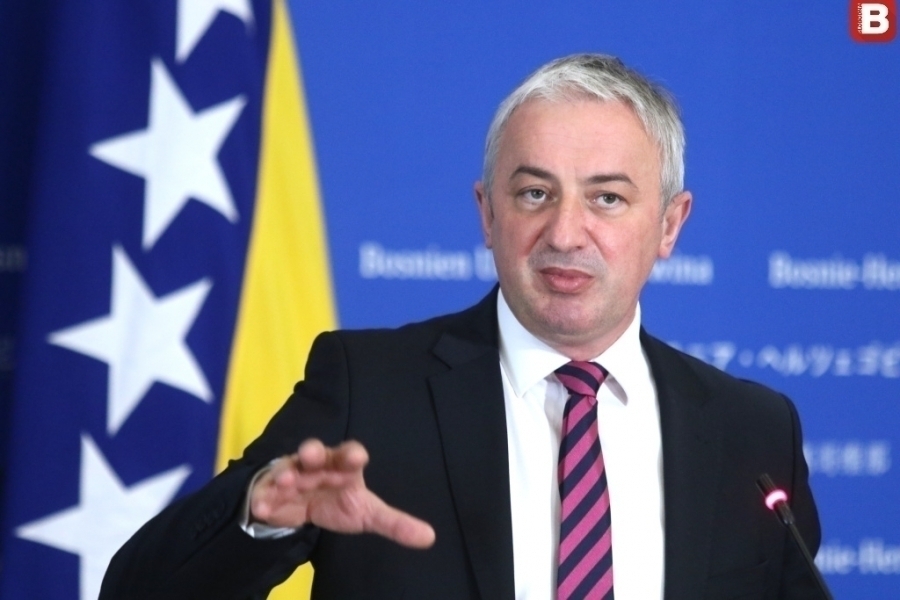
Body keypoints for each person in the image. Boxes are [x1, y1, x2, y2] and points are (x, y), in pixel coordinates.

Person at [100, 54, 821, 599]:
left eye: (606, 198)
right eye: (534, 193)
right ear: (487, 213)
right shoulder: (369, 392)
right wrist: (261, 515)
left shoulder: (752, 429)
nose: (564, 233)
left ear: (669, 224)